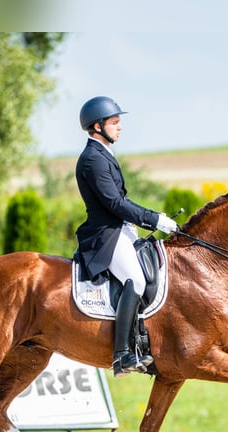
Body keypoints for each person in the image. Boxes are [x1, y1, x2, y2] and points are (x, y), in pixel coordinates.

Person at [74, 96, 178, 378]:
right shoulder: (92, 159)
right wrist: (154, 218)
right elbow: (115, 204)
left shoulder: (104, 153)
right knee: (137, 278)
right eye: (114, 122)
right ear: (97, 126)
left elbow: (121, 201)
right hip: (105, 234)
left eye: (119, 122)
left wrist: (144, 221)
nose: (120, 127)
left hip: (120, 229)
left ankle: (142, 341)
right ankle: (122, 353)